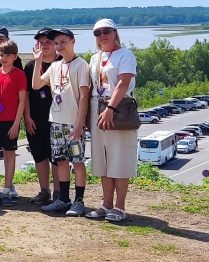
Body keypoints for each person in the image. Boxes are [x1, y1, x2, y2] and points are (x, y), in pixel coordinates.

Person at [29, 29, 91, 216]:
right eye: (56, 43)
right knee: (61, 160)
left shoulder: (81, 65)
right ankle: (63, 199)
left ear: (73, 41)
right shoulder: (56, 66)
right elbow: (36, 85)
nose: (59, 46)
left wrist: (80, 124)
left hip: (73, 124)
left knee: (77, 162)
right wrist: (38, 60)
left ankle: (79, 201)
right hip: (56, 122)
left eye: (63, 42)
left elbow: (84, 97)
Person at [87, 18, 138, 223]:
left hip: (118, 109)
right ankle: (106, 204)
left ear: (115, 32)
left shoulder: (125, 54)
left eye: (106, 31)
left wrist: (110, 107)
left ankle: (120, 206)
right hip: (97, 107)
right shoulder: (95, 58)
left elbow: (123, 83)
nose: (102, 36)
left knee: (119, 157)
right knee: (102, 159)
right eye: (97, 33)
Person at [0, 39, 27, 206]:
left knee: (9, 155)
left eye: (8, 55)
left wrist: (16, 124)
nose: (4, 58)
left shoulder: (19, 74)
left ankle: (7, 190)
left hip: (10, 121)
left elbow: (22, 101)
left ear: (15, 56)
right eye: (1, 54)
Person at [23, 28, 59, 204]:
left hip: (59, 118)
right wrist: (27, 117)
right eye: (41, 42)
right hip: (36, 119)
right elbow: (26, 95)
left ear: (55, 44)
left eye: (49, 42)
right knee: (40, 155)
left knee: (57, 156)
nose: (45, 45)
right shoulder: (31, 66)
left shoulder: (62, 62)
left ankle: (60, 192)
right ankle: (45, 190)